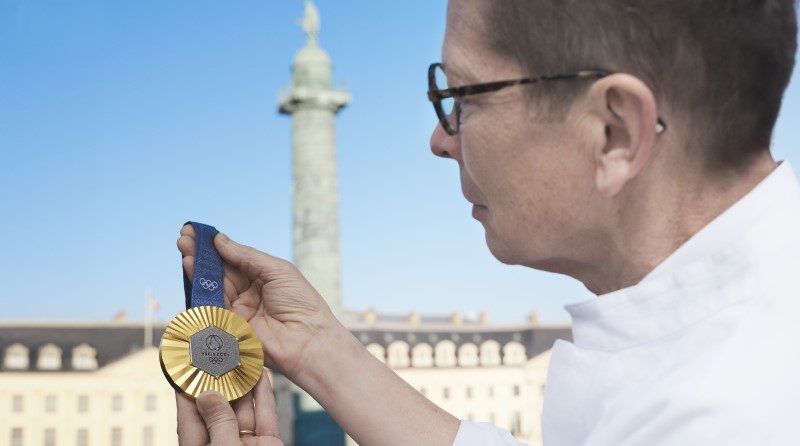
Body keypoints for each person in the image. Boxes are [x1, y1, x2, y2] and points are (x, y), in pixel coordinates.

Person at [175, 0, 799, 444]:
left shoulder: (726, 416)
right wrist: (318, 348)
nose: (438, 140)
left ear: (613, 132)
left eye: (461, 97)